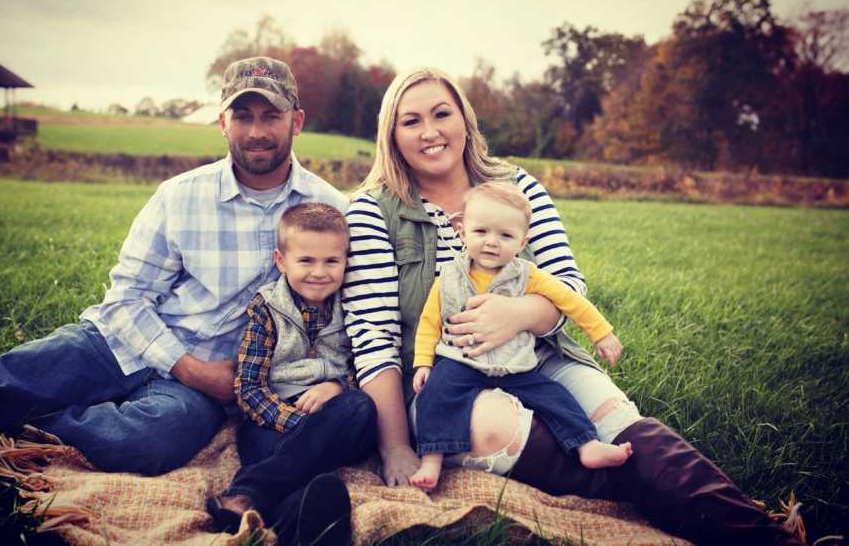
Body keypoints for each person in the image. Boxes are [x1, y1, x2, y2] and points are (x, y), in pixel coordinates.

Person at [341, 67, 801, 545]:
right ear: (391, 134)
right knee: (497, 425)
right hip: (446, 381)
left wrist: (516, 314)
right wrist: (395, 446)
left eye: (442, 114)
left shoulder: (518, 185)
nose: (430, 131)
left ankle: (767, 537)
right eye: (410, 121)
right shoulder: (374, 210)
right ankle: (638, 487)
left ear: (465, 120)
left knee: (619, 421)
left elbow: (567, 286)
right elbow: (374, 335)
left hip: (538, 360)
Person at [0, 56, 347, 478]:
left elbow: (348, 319)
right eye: (242, 116)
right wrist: (189, 367)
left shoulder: (329, 212)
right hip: (122, 341)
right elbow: (127, 298)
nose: (256, 131)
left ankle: (38, 422)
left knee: (146, 443)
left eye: (271, 116)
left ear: (297, 122)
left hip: (203, 391)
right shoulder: (180, 196)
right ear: (223, 122)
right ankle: (14, 402)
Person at [409, 181, 632, 491]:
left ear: (522, 241)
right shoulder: (448, 277)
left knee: (555, 397)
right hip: (459, 361)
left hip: (515, 363)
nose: (491, 242)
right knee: (436, 394)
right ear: (461, 231)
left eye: (505, 235)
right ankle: (431, 458)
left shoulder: (528, 275)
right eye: (481, 231)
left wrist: (602, 333)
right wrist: (423, 363)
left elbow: (572, 302)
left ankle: (586, 445)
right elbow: (429, 322)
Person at [205, 203, 377, 545]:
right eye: (306, 261)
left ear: (346, 262)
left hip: (336, 416)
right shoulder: (267, 309)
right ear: (281, 261)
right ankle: (299, 516)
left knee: (361, 407)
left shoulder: (353, 306)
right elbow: (249, 387)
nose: (319, 272)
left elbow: (367, 365)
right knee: (299, 463)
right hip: (271, 422)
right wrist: (301, 426)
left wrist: (336, 387)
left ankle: (247, 494)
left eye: (332, 261)